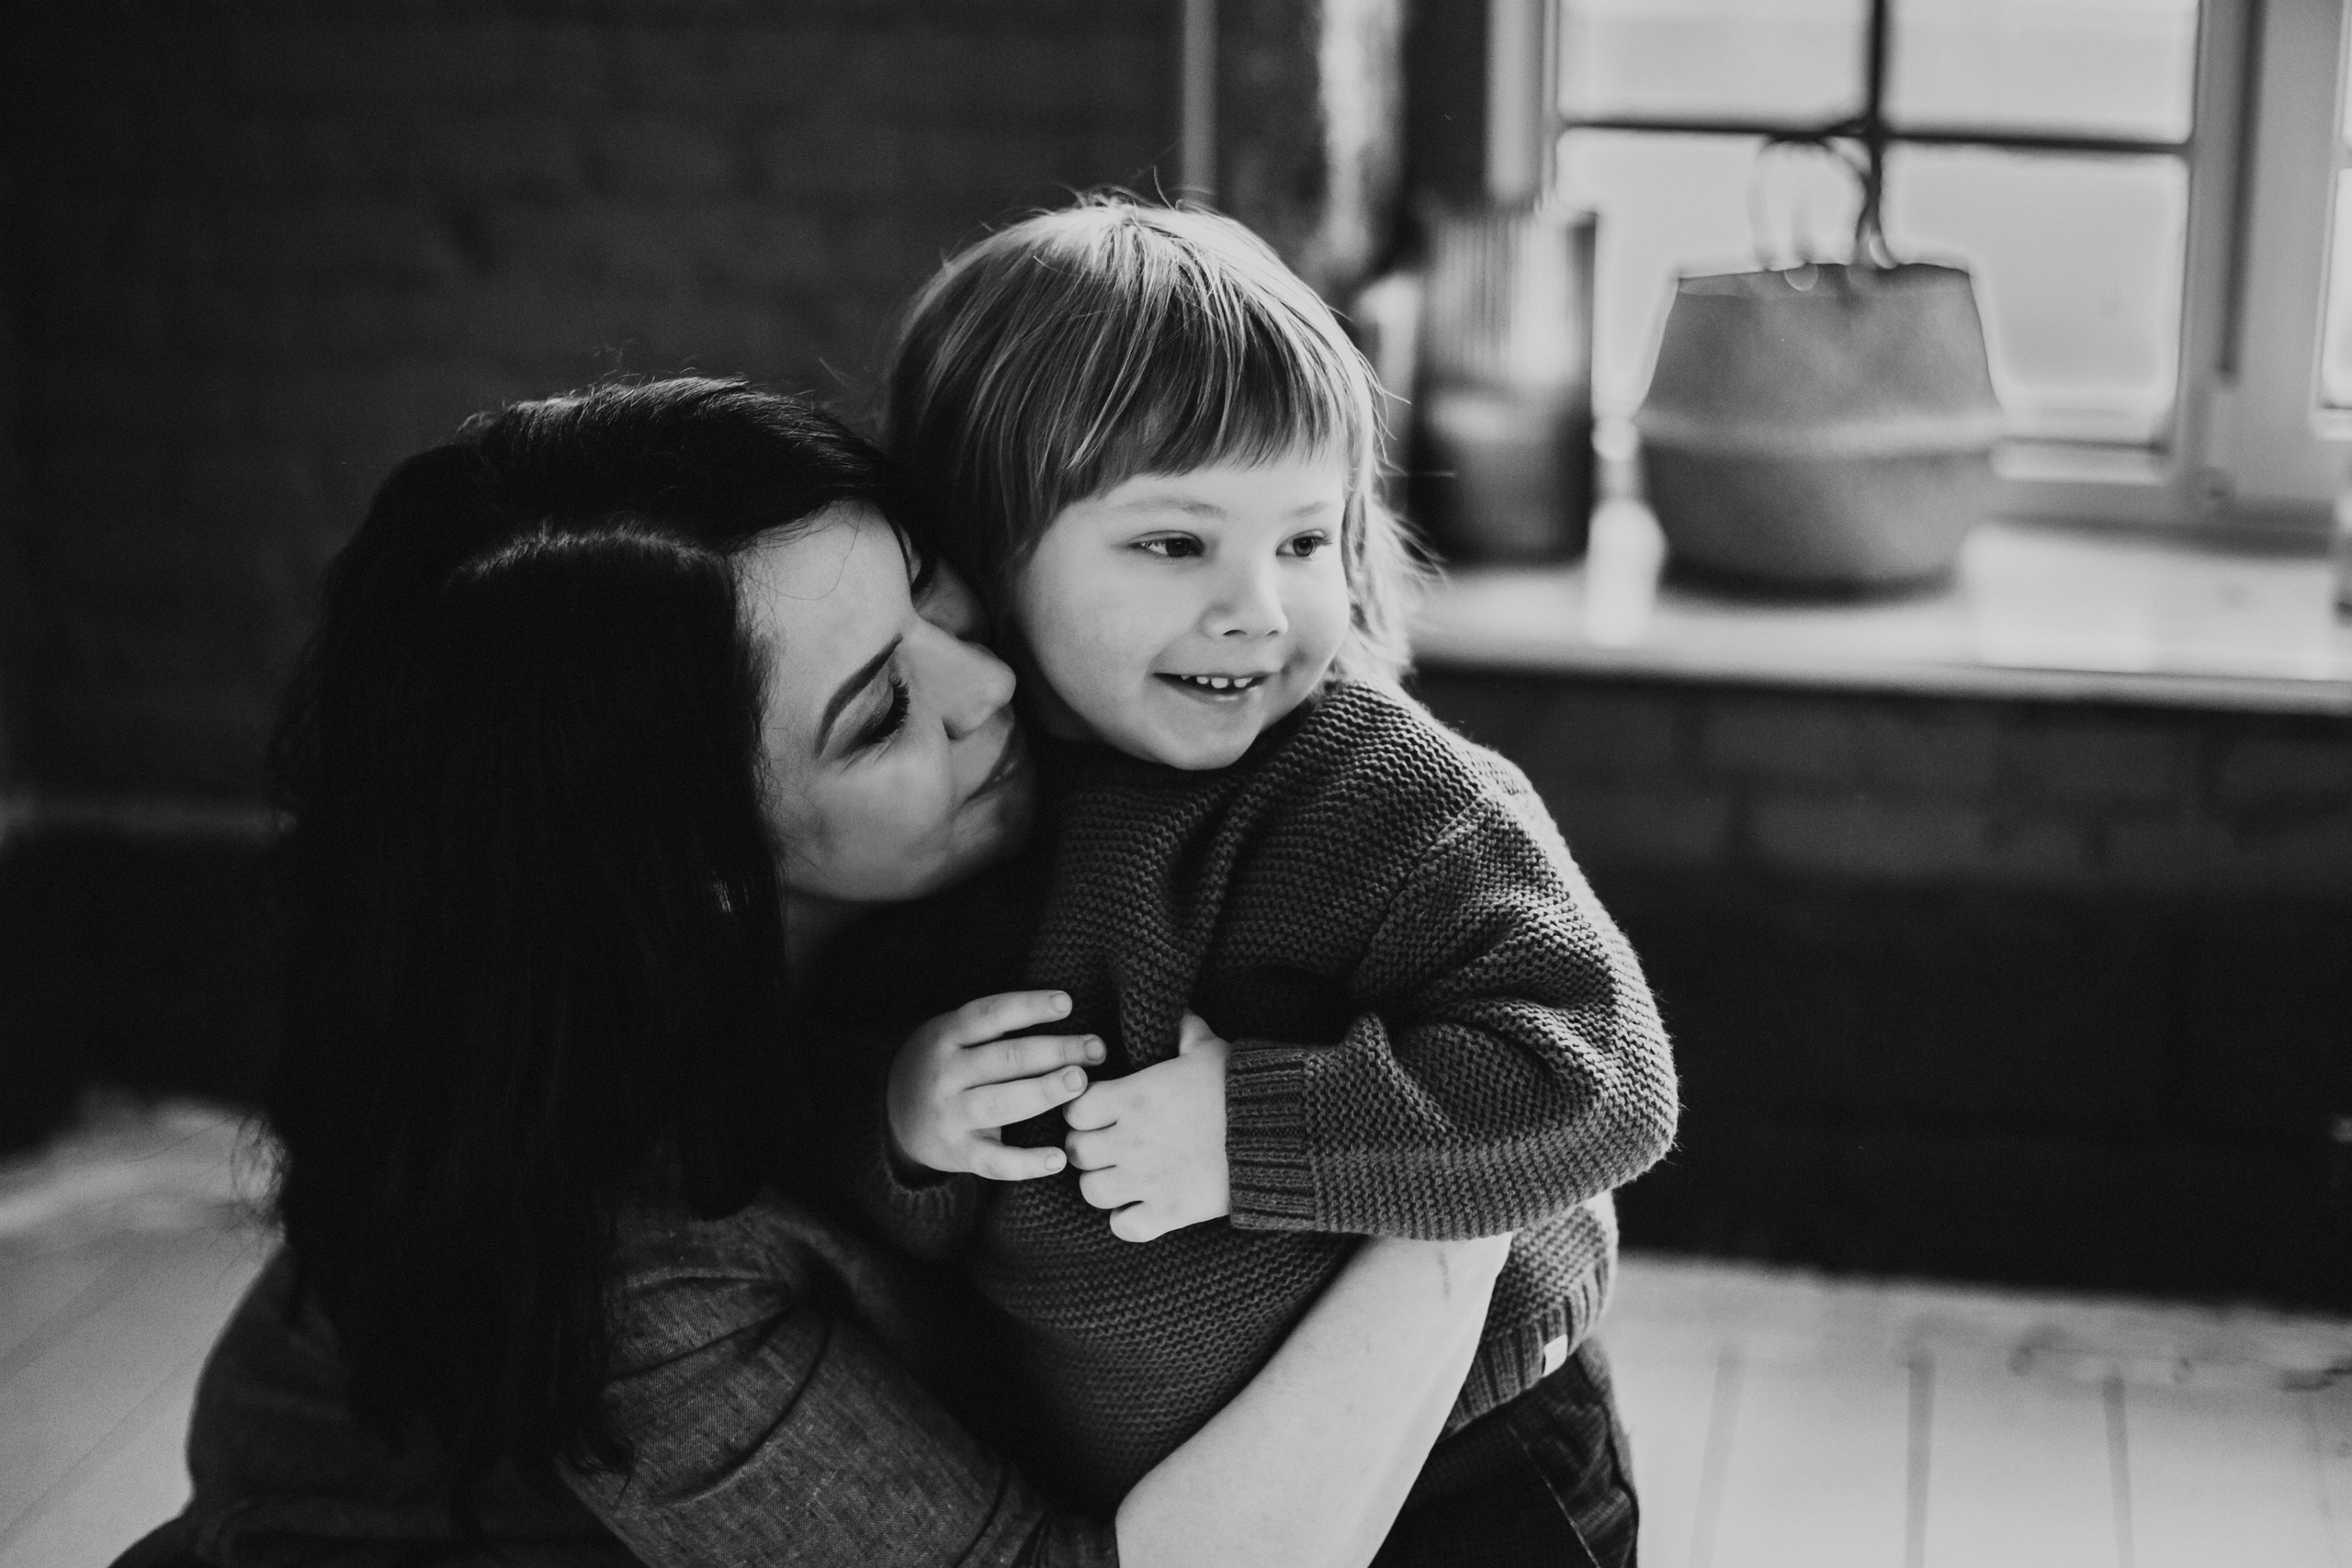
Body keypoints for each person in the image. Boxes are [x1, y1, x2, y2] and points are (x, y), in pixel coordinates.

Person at [160, 378, 1515, 1568]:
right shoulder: (641, 1273)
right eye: (877, 714)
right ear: (698, 869)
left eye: (927, 582)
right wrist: (1468, 1186)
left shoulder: (1004, 815)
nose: (985, 683)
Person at [863, 197, 1680, 1564]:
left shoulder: (1376, 791)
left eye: (1304, 541)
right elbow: (823, 1089)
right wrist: (900, 1119)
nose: (1259, 606)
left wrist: (1254, 1134)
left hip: (1467, 1472)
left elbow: (1603, 1081)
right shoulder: (955, 803)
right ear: (984, 548)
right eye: (1175, 544)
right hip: (1159, 1501)